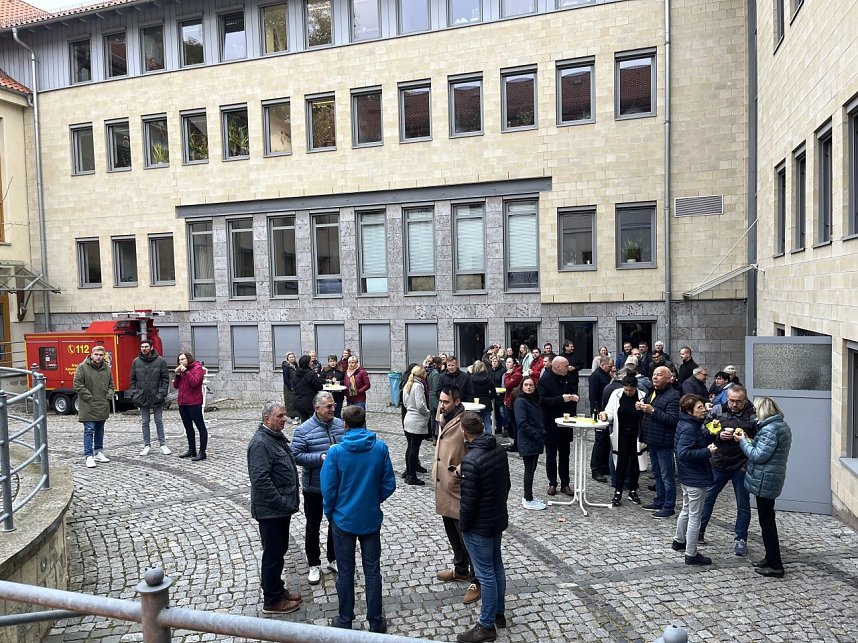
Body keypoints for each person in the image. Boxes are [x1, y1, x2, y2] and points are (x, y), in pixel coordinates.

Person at [321, 405, 396, 632]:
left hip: (343, 519)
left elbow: (328, 489)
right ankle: (375, 621)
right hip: (370, 518)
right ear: (365, 421)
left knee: (345, 571)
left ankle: (345, 619)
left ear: (344, 424)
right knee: (372, 570)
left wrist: (330, 512)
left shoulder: (335, 452)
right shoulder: (380, 448)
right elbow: (389, 484)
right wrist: (373, 500)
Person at [457, 412, 511, 643]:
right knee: (496, 565)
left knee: (485, 573)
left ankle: (486, 625)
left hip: (479, 524)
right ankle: (499, 612)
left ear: (464, 432)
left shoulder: (471, 460)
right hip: (496, 516)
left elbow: (468, 502)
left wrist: (464, 527)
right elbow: (506, 483)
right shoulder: (497, 449)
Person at [247, 401, 302, 614]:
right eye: (279, 416)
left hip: (280, 508)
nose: (284, 419)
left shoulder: (274, 438)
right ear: (267, 419)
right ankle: (272, 600)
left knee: (279, 551)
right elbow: (260, 480)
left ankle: (277, 589)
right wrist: (280, 501)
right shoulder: (261, 443)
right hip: (271, 510)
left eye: (285, 415)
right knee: (272, 554)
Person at [733, 397, 792, 578]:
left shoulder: (770, 430)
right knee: (767, 520)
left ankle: (775, 564)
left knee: (767, 523)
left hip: (765, 479)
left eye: (756, 409)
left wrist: (743, 441)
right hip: (769, 477)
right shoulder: (779, 426)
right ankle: (770, 558)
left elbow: (758, 455)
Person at [292, 391, 345, 585]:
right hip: (314, 487)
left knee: (336, 525)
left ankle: (333, 558)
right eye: (329, 406)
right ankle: (314, 564)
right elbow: (296, 455)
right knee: (312, 527)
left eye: (333, 405)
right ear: (317, 409)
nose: (334, 409)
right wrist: (320, 458)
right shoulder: (303, 430)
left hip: (337, 486)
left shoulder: (340, 425)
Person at [697, 385, 757, 555]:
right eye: (731, 400)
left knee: (743, 504)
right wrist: (718, 435)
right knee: (708, 499)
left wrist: (745, 439)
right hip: (719, 462)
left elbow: (759, 439)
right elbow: (704, 430)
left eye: (738, 401)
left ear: (745, 400)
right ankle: (699, 532)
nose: (734, 404)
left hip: (741, 465)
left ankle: (740, 538)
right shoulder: (718, 409)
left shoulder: (753, 414)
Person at [434, 386, 480, 605]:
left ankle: (476, 579)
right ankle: (460, 569)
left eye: (446, 402)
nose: (442, 405)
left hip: (457, 486)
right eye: (441, 401)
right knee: (451, 531)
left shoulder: (465, 421)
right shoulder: (443, 416)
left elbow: (475, 451)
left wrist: (459, 472)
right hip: (443, 487)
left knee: (467, 536)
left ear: (457, 401)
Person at [671, 394, 717, 566]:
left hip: (688, 476)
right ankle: (691, 553)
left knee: (687, 509)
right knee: (695, 516)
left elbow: (697, 442)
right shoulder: (689, 427)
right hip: (694, 477)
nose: (704, 409)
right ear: (689, 411)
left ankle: (678, 541)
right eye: (700, 407)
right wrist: (708, 452)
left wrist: (711, 432)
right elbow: (683, 453)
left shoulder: (689, 424)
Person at [640, 366, 680, 518]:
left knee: (667, 475)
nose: (655, 377)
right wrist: (642, 407)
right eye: (654, 374)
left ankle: (669, 506)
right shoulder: (652, 392)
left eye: (659, 375)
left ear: (669, 378)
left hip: (664, 441)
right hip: (652, 439)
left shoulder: (673, 396)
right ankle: (659, 499)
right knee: (657, 473)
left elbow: (672, 420)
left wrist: (652, 411)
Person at [538, 356, 579, 497]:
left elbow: (574, 393)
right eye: (566, 366)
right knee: (551, 455)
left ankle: (565, 483)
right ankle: (552, 483)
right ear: (557, 367)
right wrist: (561, 399)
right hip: (551, 422)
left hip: (566, 422)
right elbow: (542, 401)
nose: (568, 368)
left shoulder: (569, 377)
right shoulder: (545, 380)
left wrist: (574, 398)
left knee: (565, 455)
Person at [601, 375, 645, 506]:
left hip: (636, 434)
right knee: (621, 461)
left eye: (630, 390)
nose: (628, 392)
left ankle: (633, 490)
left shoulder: (642, 396)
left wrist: (642, 409)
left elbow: (645, 415)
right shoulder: (617, 394)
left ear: (635, 388)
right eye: (626, 389)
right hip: (622, 433)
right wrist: (605, 416)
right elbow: (610, 411)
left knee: (636, 463)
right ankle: (618, 491)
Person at [74, 344, 114, 469]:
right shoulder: (82, 367)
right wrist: (89, 397)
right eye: (96, 354)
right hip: (88, 405)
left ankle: (98, 452)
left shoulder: (107, 368)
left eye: (101, 355)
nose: (98, 357)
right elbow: (78, 384)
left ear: (104, 356)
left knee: (100, 429)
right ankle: (88, 455)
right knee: (89, 429)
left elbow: (111, 384)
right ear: (91, 355)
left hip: (102, 403)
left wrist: (109, 394)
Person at [130, 339, 171, 456]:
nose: (144, 349)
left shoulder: (160, 361)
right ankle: (146, 445)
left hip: (156, 396)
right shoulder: (136, 362)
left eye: (146, 346)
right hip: (142, 396)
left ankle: (162, 444)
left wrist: (161, 393)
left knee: (159, 421)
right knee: (145, 422)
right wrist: (135, 392)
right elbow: (132, 379)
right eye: (142, 347)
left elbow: (165, 379)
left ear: (151, 347)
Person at [513, 377, 545, 510]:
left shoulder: (533, 400)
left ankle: (529, 495)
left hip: (534, 439)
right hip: (528, 439)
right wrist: (536, 434)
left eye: (531, 385)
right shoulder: (520, 401)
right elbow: (521, 423)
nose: (528, 387)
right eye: (526, 385)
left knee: (531, 469)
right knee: (529, 469)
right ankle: (528, 497)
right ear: (522, 386)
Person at [173, 350, 208, 461]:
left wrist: (186, 372)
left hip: (194, 403)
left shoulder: (198, 368)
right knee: (188, 427)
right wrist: (177, 375)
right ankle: (191, 450)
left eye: (183, 359)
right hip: (183, 403)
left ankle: (202, 452)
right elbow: (176, 386)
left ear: (188, 359)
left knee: (200, 427)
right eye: (179, 360)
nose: (181, 361)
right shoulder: (182, 370)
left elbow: (194, 383)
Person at [402, 365, 430, 485]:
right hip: (417, 420)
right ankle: (412, 476)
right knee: (414, 448)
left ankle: (409, 472)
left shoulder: (408, 384)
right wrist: (427, 413)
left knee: (410, 447)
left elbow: (404, 402)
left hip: (408, 418)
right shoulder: (418, 386)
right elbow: (421, 405)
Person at [588, 356, 614, 482]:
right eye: (609, 366)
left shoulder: (606, 375)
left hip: (606, 412)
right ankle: (596, 469)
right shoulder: (595, 376)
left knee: (605, 441)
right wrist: (597, 412)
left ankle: (604, 466)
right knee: (599, 441)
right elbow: (593, 396)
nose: (611, 368)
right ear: (603, 365)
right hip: (599, 412)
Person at [501, 357, 523, 450]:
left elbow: (507, 385)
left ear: (514, 364)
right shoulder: (512, 373)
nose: (507, 364)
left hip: (513, 402)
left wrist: (507, 375)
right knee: (512, 423)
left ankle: (517, 445)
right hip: (509, 400)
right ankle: (515, 443)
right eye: (506, 362)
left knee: (515, 424)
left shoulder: (516, 374)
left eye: (509, 362)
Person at [293, 355, 323, 422]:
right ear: (307, 363)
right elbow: (319, 387)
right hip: (310, 402)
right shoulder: (311, 374)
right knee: (315, 422)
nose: (312, 363)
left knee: (304, 422)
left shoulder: (295, 373)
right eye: (311, 362)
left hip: (298, 401)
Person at [470, 360, 496, 434]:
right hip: (486, 402)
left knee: (476, 425)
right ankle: (489, 439)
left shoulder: (471, 378)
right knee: (487, 423)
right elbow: (493, 392)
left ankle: (478, 440)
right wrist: (489, 397)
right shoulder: (488, 378)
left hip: (475, 403)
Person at [489, 354, 506, 435]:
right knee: (495, 412)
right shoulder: (489, 370)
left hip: (501, 394)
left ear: (499, 362)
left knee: (502, 412)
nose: (494, 363)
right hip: (492, 393)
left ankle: (505, 428)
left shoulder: (503, 371)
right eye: (493, 361)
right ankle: (498, 427)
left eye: (496, 361)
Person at [281, 352, 299, 424]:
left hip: (296, 386)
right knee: (290, 402)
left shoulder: (295, 365)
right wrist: (291, 386)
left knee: (296, 401)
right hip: (289, 387)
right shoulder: (286, 366)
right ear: (287, 358)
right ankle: (292, 418)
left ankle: (297, 415)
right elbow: (286, 378)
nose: (292, 358)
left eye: (293, 357)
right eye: (290, 357)